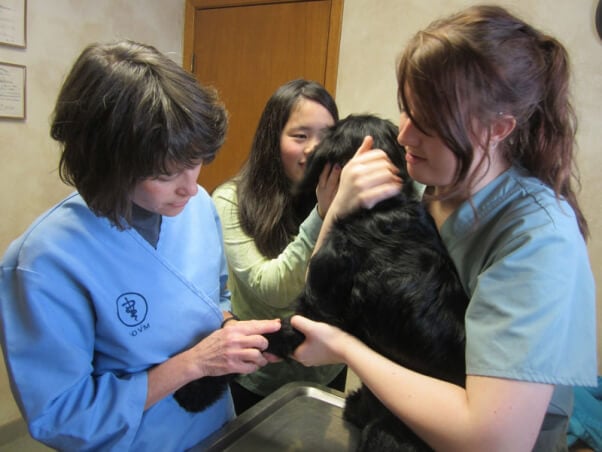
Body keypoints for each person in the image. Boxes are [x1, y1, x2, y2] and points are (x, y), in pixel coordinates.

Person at [289, 5, 597, 451]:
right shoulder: (428, 180)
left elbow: (493, 439)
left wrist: (346, 349)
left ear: (498, 129)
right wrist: (340, 209)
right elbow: (322, 292)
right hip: (397, 424)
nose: (405, 136)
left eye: (429, 123)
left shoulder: (538, 237)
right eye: (405, 111)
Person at [0, 40, 281, 451]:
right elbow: (62, 417)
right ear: (109, 164)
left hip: (215, 430)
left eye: (196, 161)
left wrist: (230, 332)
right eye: (166, 173)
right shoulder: (45, 261)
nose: (190, 186)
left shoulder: (198, 207)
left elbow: (213, 297)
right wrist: (194, 363)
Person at [211, 79, 348, 414]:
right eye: (300, 136)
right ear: (272, 140)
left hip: (327, 369)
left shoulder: (345, 195)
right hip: (256, 374)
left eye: (327, 136)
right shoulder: (230, 200)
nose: (314, 148)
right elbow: (271, 289)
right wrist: (322, 214)